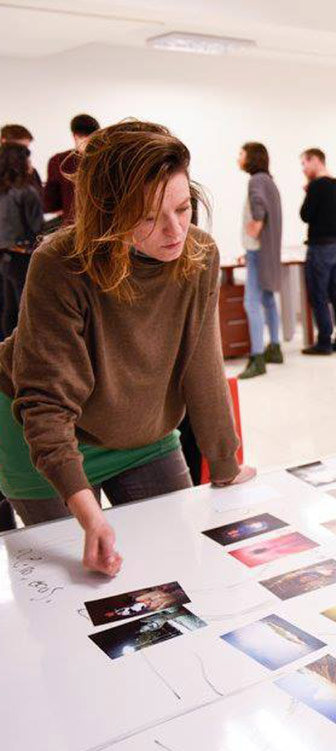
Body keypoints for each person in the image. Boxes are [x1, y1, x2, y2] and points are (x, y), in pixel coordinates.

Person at [0, 121, 256, 575]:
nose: (175, 230)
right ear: (107, 213)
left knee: (175, 565)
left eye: (183, 208)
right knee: (79, 589)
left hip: (142, 431)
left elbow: (202, 362)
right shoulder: (60, 263)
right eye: (149, 218)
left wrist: (223, 461)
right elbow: (45, 401)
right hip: (38, 433)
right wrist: (89, 516)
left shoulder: (199, 255)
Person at [237, 141, 284, 379]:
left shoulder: (255, 181)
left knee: (251, 302)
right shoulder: (270, 181)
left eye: (241, 154)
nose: (238, 158)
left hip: (257, 251)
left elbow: (258, 210)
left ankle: (257, 358)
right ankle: (274, 348)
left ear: (252, 157)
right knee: (268, 299)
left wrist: (252, 233)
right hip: (267, 252)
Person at [299, 147, 336, 355]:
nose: (303, 169)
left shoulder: (316, 186)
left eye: (304, 163)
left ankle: (324, 342)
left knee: (319, 295)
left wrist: (308, 191)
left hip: (320, 247)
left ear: (315, 160)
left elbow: (305, 215)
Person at [0, 142, 43, 338]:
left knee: (8, 309)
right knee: (25, 311)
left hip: (5, 256)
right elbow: (36, 228)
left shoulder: (3, 191)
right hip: (23, 257)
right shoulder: (27, 192)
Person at [42, 113, 100, 228]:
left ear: (74, 135)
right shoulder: (107, 158)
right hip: (105, 228)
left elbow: (50, 203)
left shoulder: (59, 161)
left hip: (72, 227)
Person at [0, 124, 41, 189]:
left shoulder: (30, 171)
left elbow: (39, 196)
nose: (22, 154)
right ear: (3, 141)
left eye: (25, 149)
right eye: (18, 149)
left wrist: (29, 176)